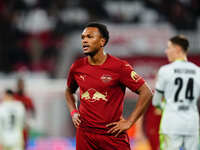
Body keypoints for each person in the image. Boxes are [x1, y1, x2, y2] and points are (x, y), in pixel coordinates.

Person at [65, 22, 153, 150]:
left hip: (112, 134)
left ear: (102, 41)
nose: (84, 40)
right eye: (83, 37)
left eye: (90, 37)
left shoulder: (119, 67)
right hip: (85, 134)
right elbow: (69, 91)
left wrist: (129, 122)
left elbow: (146, 92)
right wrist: (73, 112)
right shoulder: (77, 67)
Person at [152, 35, 200, 150]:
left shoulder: (165, 70)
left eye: (169, 47)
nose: (166, 51)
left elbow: (156, 101)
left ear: (178, 49)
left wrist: (165, 106)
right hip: (192, 124)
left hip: (171, 123)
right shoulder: (198, 71)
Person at [14, 78, 35, 149]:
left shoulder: (27, 99)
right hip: (15, 126)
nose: (21, 87)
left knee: (24, 145)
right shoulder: (14, 98)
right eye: (19, 85)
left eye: (22, 85)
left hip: (23, 126)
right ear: (17, 86)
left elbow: (33, 111)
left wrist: (31, 122)